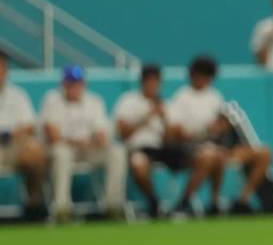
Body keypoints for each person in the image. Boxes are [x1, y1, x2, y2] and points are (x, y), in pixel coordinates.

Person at [40, 64, 127, 221]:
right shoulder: (52, 99)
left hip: (89, 149)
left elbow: (102, 135)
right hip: (64, 150)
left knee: (117, 152)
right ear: (64, 83)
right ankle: (62, 209)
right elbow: (53, 135)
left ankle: (113, 206)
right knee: (61, 152)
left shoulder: (94, 101)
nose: (74, 86)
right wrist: (80, 141)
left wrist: (90, 140)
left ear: (84, 83)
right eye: (71, 82)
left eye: (78, 82)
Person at [113, 64, 186, 217]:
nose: (153, 86)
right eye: (149, 82)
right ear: (142, 82)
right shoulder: (128, 100)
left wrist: (164, 119)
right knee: (138, 163)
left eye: (156, 82)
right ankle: (154, 202)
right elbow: (123, 133)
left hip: (160, 149)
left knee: (195, 156)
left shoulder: (166, 105)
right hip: (138, 148)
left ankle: (182, 204)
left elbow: (169, 140)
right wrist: (147, 117)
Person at [166, 56, 228, 216]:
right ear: (193, 75)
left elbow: (222, 124)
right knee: (208, 156)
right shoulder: (181, 97)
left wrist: (218, 128)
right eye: (201, 75)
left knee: (219, 155)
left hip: (211, 144)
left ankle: (214, 201)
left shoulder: (215, 96)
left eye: (208, 77)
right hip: (185, 148)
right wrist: (201, 132)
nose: (204, 80)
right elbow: (176, 131)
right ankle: (184, 201)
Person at [0, 51, 46, 218]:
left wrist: (13, 134)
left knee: (35, 153)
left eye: (2, 68)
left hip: (14, 147)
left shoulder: (18, 95)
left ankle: (33, 205)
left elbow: (29, 127)